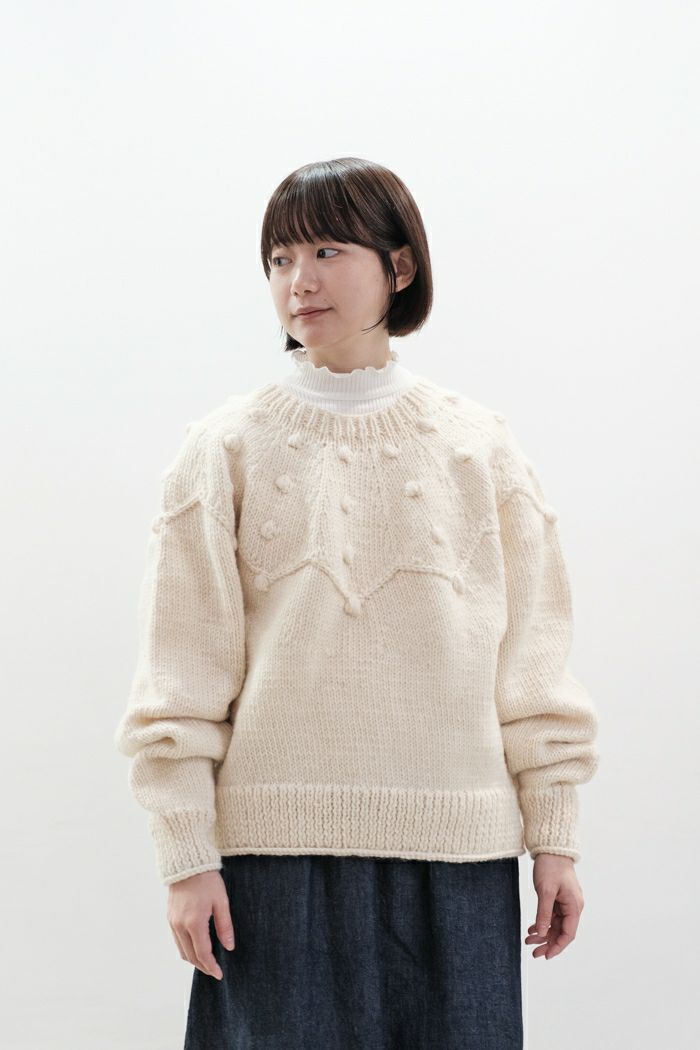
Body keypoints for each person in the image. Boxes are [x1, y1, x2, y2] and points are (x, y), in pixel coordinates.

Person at [114, 156, 599, 1049]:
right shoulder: (224, 449)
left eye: (327, 251)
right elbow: (178, 680)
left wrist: (555, 835)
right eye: (280, 259)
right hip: (273, 861)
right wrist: (186, 857)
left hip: (461, 855)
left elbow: (534, 666)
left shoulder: (479, 448)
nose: (299, 281)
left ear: (399, 264)